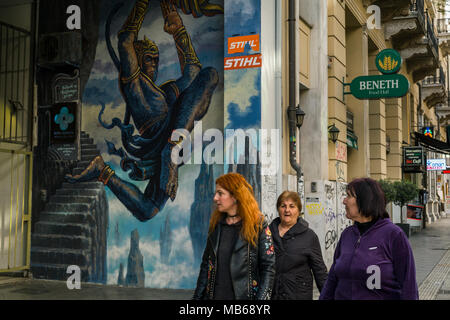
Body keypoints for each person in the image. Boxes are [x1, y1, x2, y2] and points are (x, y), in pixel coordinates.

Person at [65, 0, 220, 222]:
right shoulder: (134, 83)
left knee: (148, 210)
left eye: (157, 60)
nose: (154, 65)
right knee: (211, 74)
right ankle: (172, 148)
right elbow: (125, 40)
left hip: (169, 141)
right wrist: (142, 4)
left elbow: (193, 74)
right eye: (149, 59)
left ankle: (102, 171)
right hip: (163, 143)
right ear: (137, 60)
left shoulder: (165, 92)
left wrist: (178, 31)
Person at [319, 178, 419, 300]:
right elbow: (332, 279)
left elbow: (409, 287)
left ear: (365, 200)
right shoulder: (347, 235)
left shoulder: (394, 235)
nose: (344, 201)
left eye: (349, 196)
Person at [193, 173, 275, 300]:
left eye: (220, 193)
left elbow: (268, 268)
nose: (215, 198)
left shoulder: (258, 226)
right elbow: (206, 267)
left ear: (236, 196)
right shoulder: (216, 226)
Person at [269, 191, 328, 300]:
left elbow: (319, 270)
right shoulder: (268, 233)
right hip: (273, 294)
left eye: (292, 206)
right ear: (278, 209)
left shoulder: (309, 236)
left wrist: (327, 296)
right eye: (283, 206)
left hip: (298, 295)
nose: (287, 210)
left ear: (298, 210)